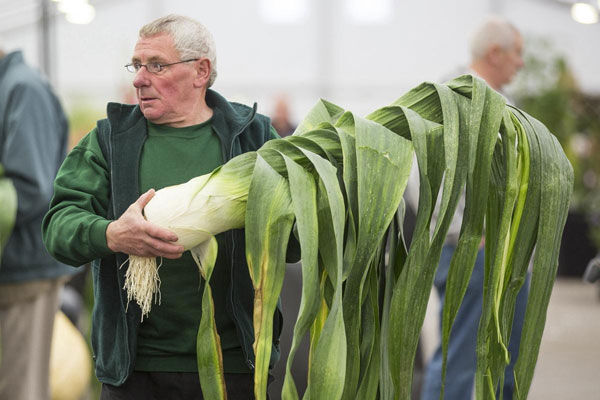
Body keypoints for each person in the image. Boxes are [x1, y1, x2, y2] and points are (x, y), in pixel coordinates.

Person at [42, 14, 291, 399]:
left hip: (233, 366)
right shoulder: (109, 140)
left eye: (157, 65)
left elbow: (294, 243)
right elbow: (58, 226)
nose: (140, 79)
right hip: (135, 371)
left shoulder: (254, 138)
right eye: (137, 65)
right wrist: (112, 234)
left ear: (201, 71)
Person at [418, 16, 528, 400]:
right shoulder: (458, 97)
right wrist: (468, 235)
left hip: (506, 251)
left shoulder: (502, 101)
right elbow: (433, 172)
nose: (521, 63)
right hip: (474, 252)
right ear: (495, 52)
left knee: (505, 362)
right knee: (461, 362)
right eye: (517, 53)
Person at [0, 48, 73, 400]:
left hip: (23, 273)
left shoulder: (22, 89)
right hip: (12, 269)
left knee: (19, 388)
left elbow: (31, 187)